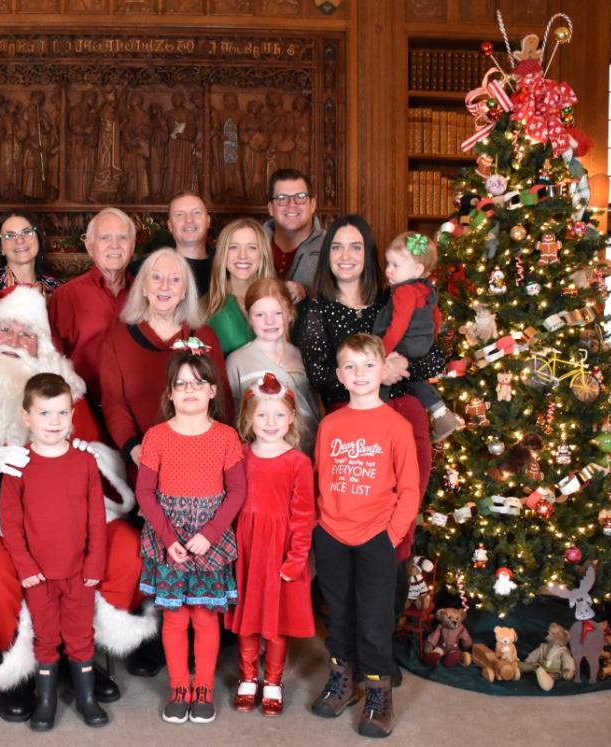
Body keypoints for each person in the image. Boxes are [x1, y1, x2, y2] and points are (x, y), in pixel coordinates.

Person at [0, 286, 156, 722]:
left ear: (43, 350)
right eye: (7, 331)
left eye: (28, 335)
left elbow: (101, 460)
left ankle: (77, 657)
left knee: (126, 549)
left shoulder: (65, 398)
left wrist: (80, 466)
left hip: (67, 513)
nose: (16, 342)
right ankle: (17, 672)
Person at [295, 214, 443, 567]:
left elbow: (433, 358)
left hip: (403, 415)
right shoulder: (316, 310)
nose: (346, 255)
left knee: (403, 521)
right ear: (326, 254)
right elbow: (317, 375)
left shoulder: (394, 298)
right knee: (350, 526)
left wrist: (398, 366)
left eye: (356, 247)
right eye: (337, 247)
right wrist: (371, 376)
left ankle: (389, 613)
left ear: (369, 253)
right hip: (349, 433)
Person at [310, 333, 420, 738]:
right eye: (351, 367)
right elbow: (319, 478)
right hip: (333, 534)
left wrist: (390, 535)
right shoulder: (330, 424)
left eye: (368, 365)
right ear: (339, 374)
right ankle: (342, 682)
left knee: (374, 622)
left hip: (377, 536)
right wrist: (321, 525)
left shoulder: (396, 425)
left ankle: (378, 694)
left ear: (383, 370)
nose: (359, 374)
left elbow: (409, 489)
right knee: (338, 616)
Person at [136, 350, 246, 725]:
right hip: (170, 540)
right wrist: (168, 539)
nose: (189, 390)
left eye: (198, 383)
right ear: (169, 393)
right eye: (180, 384)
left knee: (204, 617)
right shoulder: (156, 437)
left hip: (208, 540)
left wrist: (210, 534)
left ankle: (203, 688)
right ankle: (178, 687)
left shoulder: (226, 437)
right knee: (175, 618)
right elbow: (145, 493)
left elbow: (236, 492)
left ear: (213, 391)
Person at [0, 373, 109, 731]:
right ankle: (45, 700)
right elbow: (11, 523)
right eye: (45, 414)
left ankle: (87, 697)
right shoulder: (18, 465)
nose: (55, 422)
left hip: (79, 571)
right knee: (46, 637)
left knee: (80, 634)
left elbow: (97, 517)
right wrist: (25, 566)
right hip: (39, 574)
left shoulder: (84, 462)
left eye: (62, 413)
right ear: (27, 417)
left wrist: (95, 562)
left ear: (73, 415)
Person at [225, 372, 315, 717]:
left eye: (279, 414)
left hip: (280, 550)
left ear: (292, 417)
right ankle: (248, 678)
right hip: (247, 550)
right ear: (249, 418)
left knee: (277, 622)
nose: (270, 422)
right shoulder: (240, 457)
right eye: (262, 415)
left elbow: (304, 515)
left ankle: (273, 680)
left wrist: (295, 559)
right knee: (248, 617)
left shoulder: (298, 462)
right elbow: (230, 506)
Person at [99, 248, 230, 470]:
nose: (165, 286)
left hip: (201, 460)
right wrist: (134, 448)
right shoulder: (116, 340)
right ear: (143, 286)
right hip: (142, 460)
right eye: (156, 277)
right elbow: (114, 405)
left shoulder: (204, 336)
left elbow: (223, 399)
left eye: (175, 279)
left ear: (185, 290)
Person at [374, 231, 461, 441]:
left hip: (404, 342)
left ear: (417, 269)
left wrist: (382, 353)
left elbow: (398, 325)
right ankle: (441, 412)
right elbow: (436, 317)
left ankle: (379, 416)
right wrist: (429, 341)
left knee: (383, 377)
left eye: (395, 265)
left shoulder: (404, 292)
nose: (388, 270)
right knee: (414, 379)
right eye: (388, 263)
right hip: (422, 344)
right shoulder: (427, 289)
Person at [49, 207, 135, 418]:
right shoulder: (66, 296)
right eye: (105, 237)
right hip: (85, 411)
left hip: (138, 412)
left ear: (132, 245)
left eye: (122, 237)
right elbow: (51, 361)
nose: (115, 245)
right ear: (90, 247)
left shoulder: (149, 293)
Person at [226, 277, 319, 456]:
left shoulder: (303, 356)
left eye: (278, 313)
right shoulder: (236, 361)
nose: (269, 321)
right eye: (260, 315)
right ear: (248, 316)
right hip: (259, 459)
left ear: (290, 313)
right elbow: (233, 417)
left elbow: (315, 408)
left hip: (307, 454)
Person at [0, 210, 62, 336]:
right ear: (1, 248)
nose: (19, 240)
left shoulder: (57, 289)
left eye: (26, 232)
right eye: (9, 236)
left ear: (38, 238)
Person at [203, 218, 276, 354]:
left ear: (263, 254)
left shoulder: (280, 301)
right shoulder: (204, 308)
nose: (243, 256)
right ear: (223, 254)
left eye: (252, 248)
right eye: (233, 247)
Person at [130, 192, 213, 297]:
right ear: (170, 225)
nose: (189, 220)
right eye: (179, 214)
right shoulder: (143, 268)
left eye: (196, 213)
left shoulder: (225, 266)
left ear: (208, 221)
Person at [262, 168, 325, 303]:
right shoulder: (253, 245)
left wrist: (307, 294)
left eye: (300, 197)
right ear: (271, 208)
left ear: (312, 204)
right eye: (282, 198)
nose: (291, 204)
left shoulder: (332, 246)